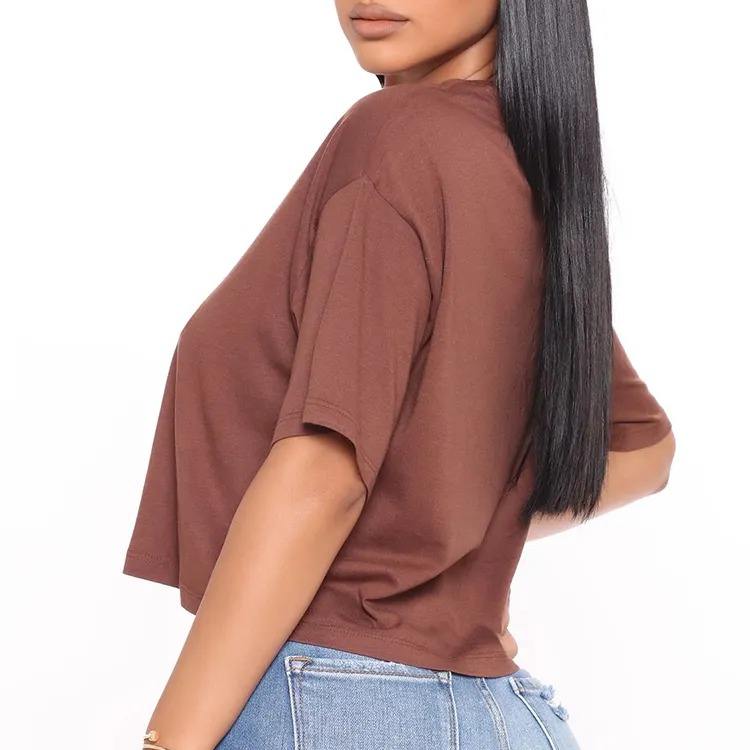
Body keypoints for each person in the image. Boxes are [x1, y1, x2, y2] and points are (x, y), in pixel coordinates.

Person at [123, 2, 676, 748]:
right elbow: (645, 450)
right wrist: (451, 543)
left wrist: (171, 741)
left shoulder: (396, 137)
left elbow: (324, 472)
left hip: (334, 704)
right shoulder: (520, 169)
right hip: (506, 719)